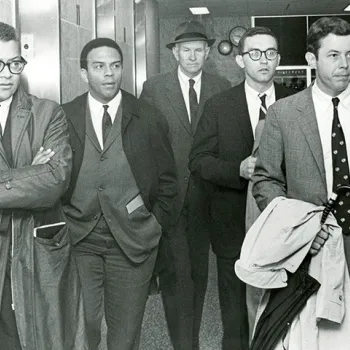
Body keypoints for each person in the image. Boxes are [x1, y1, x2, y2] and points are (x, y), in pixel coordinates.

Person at [61, 37, 177, 350]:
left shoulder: (148, 117)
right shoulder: (63, 117)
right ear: (84, 73)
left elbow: (168, 181)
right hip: (79, 239)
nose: (109, 74)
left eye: (115, 66)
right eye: (99, 67)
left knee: (125, 333)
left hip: (133, 240)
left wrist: (154, 225)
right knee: (83, 327)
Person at [189, 26, 293, 349]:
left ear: (278, 59)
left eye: (271, 53)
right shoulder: (219, 105)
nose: (264, 61)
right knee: (235, 320)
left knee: (284, 316)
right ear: (239, 60)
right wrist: (237, 169)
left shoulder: (296, 104)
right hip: (233, 231)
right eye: (255, 53)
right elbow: (199, 160)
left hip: (286, 231)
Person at [140, 20, 230, 349]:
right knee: (176, 276)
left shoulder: (221, 87)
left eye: (198, 50)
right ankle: (184, 344)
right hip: (171, 197)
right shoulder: (154, 88)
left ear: (207, 53)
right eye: (185, 50)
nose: (192, 56)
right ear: (175, 53)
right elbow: (143, 143)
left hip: (210, 198)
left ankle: (190, 337)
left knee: (200, 274)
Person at [0, 22, 87, 349]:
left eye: (13, 64)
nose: (6, 73)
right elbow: (37, 180)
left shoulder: (47, 113)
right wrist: (27, 173)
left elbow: (54, 181)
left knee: (40, 337)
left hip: (38, 250)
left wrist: (38, 175)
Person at [252, 17, 350, 271]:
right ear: (311, 60)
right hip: (313, 248)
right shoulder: (283, 113)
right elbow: (266, 181)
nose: (345, 64)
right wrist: (300, 230)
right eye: (333, 55)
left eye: (349, 54)